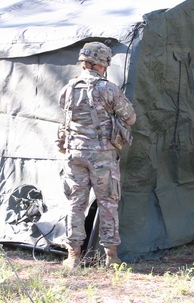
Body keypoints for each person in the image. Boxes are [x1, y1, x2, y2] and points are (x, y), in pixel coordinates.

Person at [56, 42, 137, 268]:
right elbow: (130, 117)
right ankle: (111, 257)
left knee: (75, 204)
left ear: (83, 62)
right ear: (103, 64)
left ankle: (73, 256)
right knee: (108, 203)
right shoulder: (108, 88)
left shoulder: (68, 89)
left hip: (74, 154)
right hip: (102, 156)